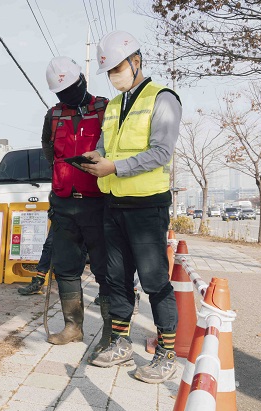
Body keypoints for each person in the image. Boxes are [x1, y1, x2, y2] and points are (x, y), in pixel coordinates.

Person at [82, 30, 182, 384]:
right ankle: (121, 342)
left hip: (146, 207)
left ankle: (167, 353)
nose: (113, 76)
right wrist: (95, 158)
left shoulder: (163, 98)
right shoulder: (112, 106)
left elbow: (160, 152)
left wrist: (115, 167)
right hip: (114, 203)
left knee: (155, 281)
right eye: (108, 71)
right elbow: (105, 147)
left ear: (136, 62)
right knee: (116, 278)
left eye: (117, 68)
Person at [32, 56, 112, 350]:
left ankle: (111, 331)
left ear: (83, 81)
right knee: (66, 267)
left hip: (98, 202)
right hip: (64, 202)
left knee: (106, 269)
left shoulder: (104, 109)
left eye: (71, 88)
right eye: (61, 92)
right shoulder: (53, 115)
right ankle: (73, 327)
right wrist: (61, 171)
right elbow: (46, 146)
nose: (67, 96)